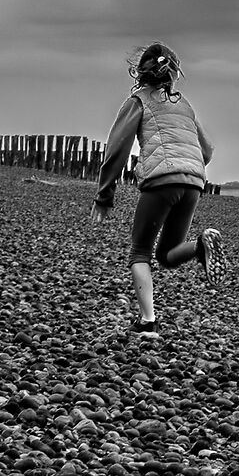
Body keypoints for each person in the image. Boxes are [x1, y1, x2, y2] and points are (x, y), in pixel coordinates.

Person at [92, 42, 224, 338]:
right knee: (167, 255)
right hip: (193, 183)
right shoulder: (184, 104)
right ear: (174, 74)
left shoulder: (138, 101)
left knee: (140, 252)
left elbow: (117, 150)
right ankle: (201, 244)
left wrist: (104, 195)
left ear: (140, 73)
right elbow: (208, 150)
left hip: (161, 182)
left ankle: (148, 321)